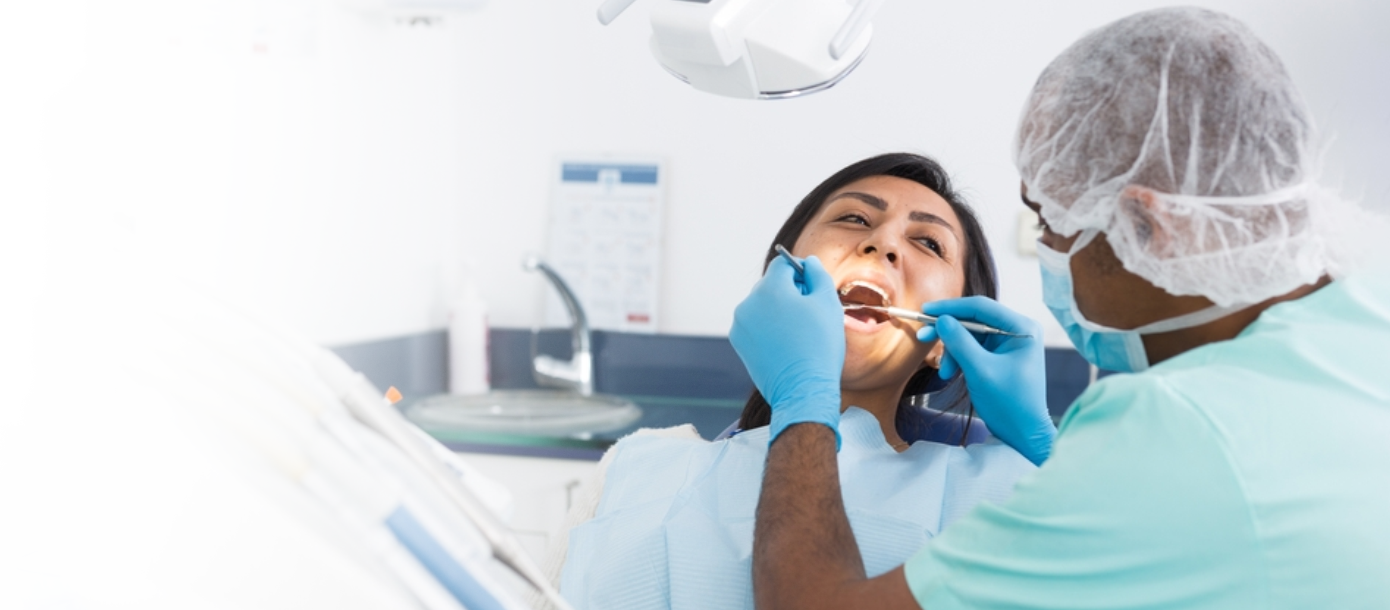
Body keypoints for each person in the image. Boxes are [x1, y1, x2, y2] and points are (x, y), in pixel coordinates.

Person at [737, 7, 1390, 609]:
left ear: (1148, 228)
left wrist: (803, 396)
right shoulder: (1367, 319)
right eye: (854, 219)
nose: (882, 245)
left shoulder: (1162, 435)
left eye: (1048, 221)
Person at [545, 153, 1039, 610]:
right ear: (779, 282)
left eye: (929, 243)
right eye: (854, 218)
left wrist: (1046, 454)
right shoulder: (634, 469)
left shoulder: (1015, 493)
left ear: (944, 343)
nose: (884, 243)